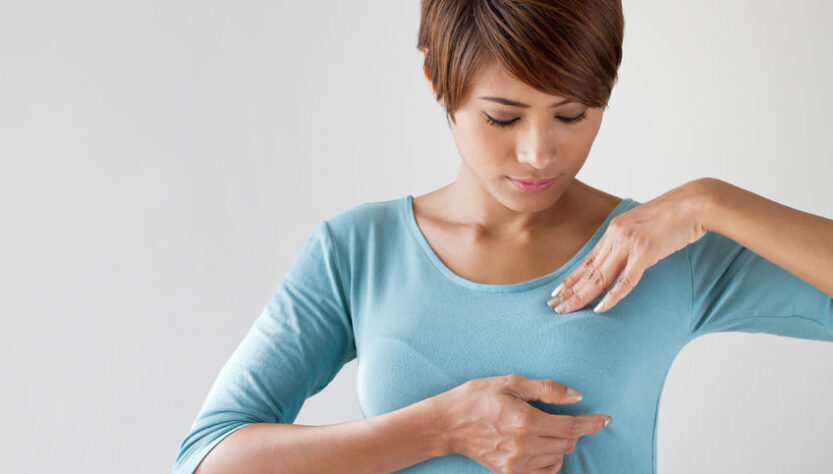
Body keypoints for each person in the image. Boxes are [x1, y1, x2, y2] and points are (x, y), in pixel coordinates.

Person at [172, 1, 833, 473]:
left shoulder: (657, 249)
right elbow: (208, 458)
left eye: (571, 115)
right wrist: (440, 429)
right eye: (502, 117)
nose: (538, 153)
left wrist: (710, 201)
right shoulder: (357, 252)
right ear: (436, 80)